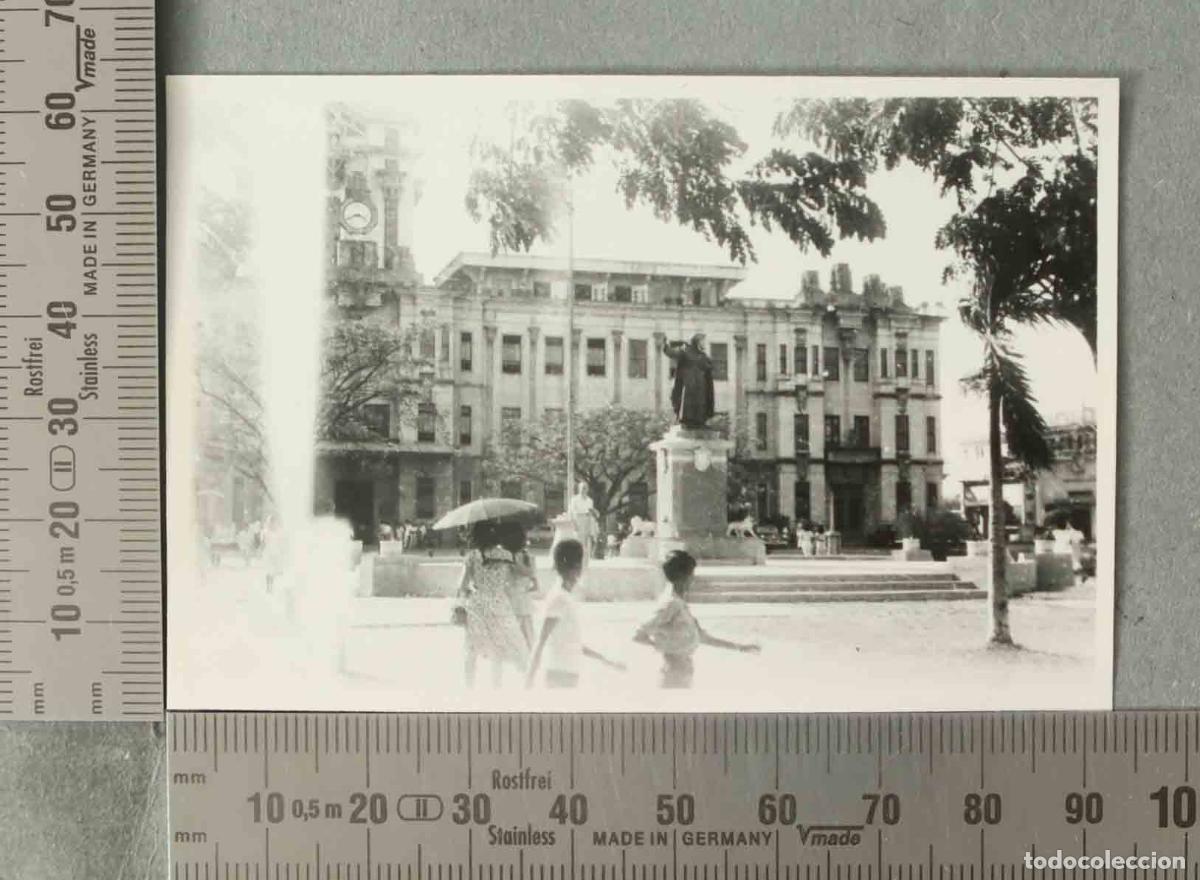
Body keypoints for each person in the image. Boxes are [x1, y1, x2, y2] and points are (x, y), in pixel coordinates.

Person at [634, 550, 760, 689]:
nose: (693, 579)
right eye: (691, 574)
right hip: (672, 673)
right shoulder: (671, 604)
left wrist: (740, 647)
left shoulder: (679, 604)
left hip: (683, 671)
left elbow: (702, 637)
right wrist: (666, 648)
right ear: (683, 576)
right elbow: (638, 635)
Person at [526, 539, 625, 688]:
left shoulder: (565, 597)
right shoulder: (558, 598)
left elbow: (572, 642)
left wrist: (606, 660)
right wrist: (528, 681)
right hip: (559, 674)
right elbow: (541, 642)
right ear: (577, 566)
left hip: (569, 672)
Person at [456, 521, 530, 687]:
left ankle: (469, 688)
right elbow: (526, 573)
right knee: (498, 648)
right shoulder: (505, 555)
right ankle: (496, 687)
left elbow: (461, 586)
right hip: (499, 603)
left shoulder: (472, 557)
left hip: (478, 603)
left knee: (472, 648)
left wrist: (471, 590)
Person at [497, 519, 537, 646]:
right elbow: (535, 583)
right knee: (527, 637)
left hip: (509, 601)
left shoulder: (504, 557)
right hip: (523, 601)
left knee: (510, 639)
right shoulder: (527, 556)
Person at [663, 334, 715, 428]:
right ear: (697, 342)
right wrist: (666, 345)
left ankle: (700, 421)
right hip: (689, 386)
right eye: (703, 341)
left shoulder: (703, 356)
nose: (704, 344)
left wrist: (709, 365)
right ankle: (688, 421)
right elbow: (673, 353)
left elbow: (708, 366)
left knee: (701, 404)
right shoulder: (686, 351)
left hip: (701, 387)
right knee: (689, 406)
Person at [567, 481, 599, 563]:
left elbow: (591, 512)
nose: (583, 490)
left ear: (587, 489)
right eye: (582, 488)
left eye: (585, 488)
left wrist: (594, 514)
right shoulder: (574, 499)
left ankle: (584, 561)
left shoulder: (590, 500)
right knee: (577, 541)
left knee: (586, 542)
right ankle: (575, 560)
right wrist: (574, 524)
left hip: (587, 521)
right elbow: (571, 512)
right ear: (578, 489)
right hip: (578, 520)